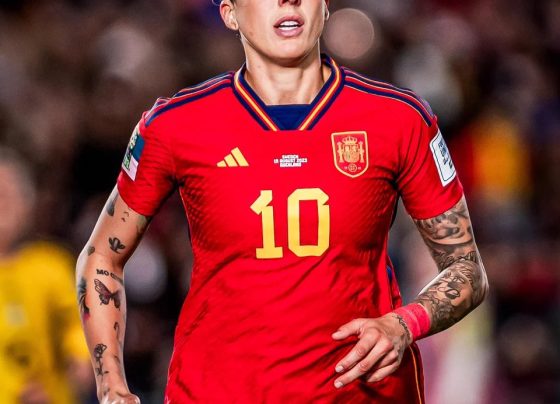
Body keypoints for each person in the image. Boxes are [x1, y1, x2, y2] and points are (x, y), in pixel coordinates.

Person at [76, 0, 489, 402]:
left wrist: (404, 323)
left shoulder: (400, 119)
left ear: (325, 6)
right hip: (219, 393)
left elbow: (467, 269)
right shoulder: (174, 126)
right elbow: (101, 258)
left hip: (360, 393)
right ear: (230, 14)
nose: (288, 1)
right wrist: (112, 387)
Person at [0, 148, 93, 403]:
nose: (2, 202)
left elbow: (79, 322)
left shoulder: (51, 265)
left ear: (27, 206)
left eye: (10, 194)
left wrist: (81, 359)